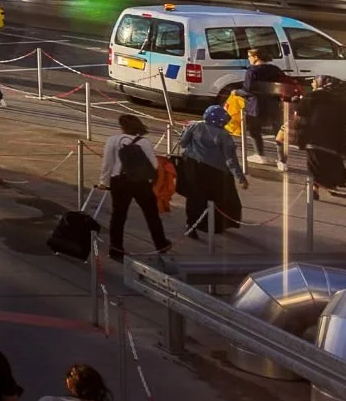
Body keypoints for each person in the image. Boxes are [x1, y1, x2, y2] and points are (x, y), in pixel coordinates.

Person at [97, 113, 169, 262]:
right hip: (140, 182)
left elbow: (107, 164)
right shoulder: (144, 142)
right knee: (151, 215)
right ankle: (161, 244)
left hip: (119, 181)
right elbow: (154, 165)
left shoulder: (113, 140)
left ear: (122, 127)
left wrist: (104, 182)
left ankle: (116, 249)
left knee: (118, 216)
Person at [176, 104, 247, 237]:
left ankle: (191, 225)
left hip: (192, 166)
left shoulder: (195, 126)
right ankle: (214, 225)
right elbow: (231, 160)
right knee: (218, 198)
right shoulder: (224, 136)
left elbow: (183, 143)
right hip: (216, 172)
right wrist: (241, 178)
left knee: (194, 197)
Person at [295, 79, 346, 191]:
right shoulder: (343, 102)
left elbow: (299, 113)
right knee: (332, 165)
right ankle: (330, 185)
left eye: (314, 81)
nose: (311, 83)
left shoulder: (311, 97)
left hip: (312, 139)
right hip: (335, 144)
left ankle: (314, 188)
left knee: (314, 165)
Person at [243, 48, 292, 165]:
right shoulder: (275, 70)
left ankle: (260, 155)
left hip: (256, 107)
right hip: (274, 105)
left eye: (249, 56)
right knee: (279, 133)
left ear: (256, 57)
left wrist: (236, 92)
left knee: (255, 131)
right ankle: (282, 162)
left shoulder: (251, 72)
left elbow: (248, 90)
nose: (248, 59)